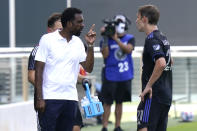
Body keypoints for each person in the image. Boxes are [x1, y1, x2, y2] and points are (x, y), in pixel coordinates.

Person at [34, 7, 96, 131]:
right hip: (50, 99)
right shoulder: (47, 40)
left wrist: (90, 45)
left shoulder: (78, 43)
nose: (82, 25)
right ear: (68, 23)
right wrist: (40, 98)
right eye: (79, 22)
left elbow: (88, 68)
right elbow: (39, 70)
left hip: (70, 99)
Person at [136, 5, 173, 131]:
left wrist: (148, 85)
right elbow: (170, 61)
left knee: (143, 126)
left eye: (138, 17)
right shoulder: (163, 38)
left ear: (144, 19)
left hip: (153, 96)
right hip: (166, 95)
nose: (136, 21)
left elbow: (161, 63)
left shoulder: (151, 39)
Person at [100, 14, 135, 131]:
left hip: (124, 75)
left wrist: (115, 39)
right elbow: (105, 54)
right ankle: (104, 126)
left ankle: (117, 126)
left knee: (120, 102)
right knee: (107, 102)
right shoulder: (106, 39)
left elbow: (128, 50)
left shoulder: (129, 38)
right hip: (110, 75)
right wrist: (106, 37)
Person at [28, 12, 62, 111]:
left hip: (66, 98)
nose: (61, 33)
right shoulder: (38, 49)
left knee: (75, 125)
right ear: (49, 30)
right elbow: (31, 76)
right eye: (59, 30)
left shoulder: (67, 49)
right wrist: (49, 89)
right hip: (47, 99)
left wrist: (83, 79)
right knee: (48, 126)